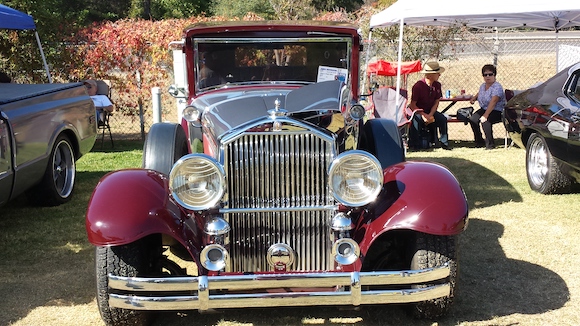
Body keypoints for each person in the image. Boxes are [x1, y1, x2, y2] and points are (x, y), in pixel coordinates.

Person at [409, 61, 451, 150]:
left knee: (442, 119)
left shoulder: (437, 85)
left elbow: (436, 102)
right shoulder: (418, 86)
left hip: (430, 111)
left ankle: (444, 143)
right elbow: (413, 104)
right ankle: (415, 145)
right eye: (437, 73)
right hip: (418, 111)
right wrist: (423, 115)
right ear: (430, 75)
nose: (439, 75)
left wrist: (430, 115)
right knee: (417, 120)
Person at [469, 64, 506, 150]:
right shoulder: (483, 86)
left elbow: (493, 102)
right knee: (473, 119)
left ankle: (490, 144)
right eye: (485, 75)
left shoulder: (497, 87)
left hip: (497, 110)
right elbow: (480, 93)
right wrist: (474, 98)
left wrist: (485, 115)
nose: (488, 76)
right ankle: (479, 141)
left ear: (494, 75)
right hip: (485, 108)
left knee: (485, 121)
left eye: (490, 74)